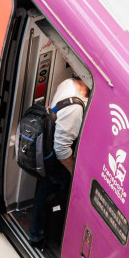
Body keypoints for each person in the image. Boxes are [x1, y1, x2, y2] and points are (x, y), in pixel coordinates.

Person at [29, 77, 89, 248]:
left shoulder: (67, 83)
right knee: (52, 193)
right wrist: (75, 174)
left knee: (44, 192)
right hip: (58, 161)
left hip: (49, 153)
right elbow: (62, 150)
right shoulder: (75, 108)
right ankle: (41, 236)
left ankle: (38, 234)